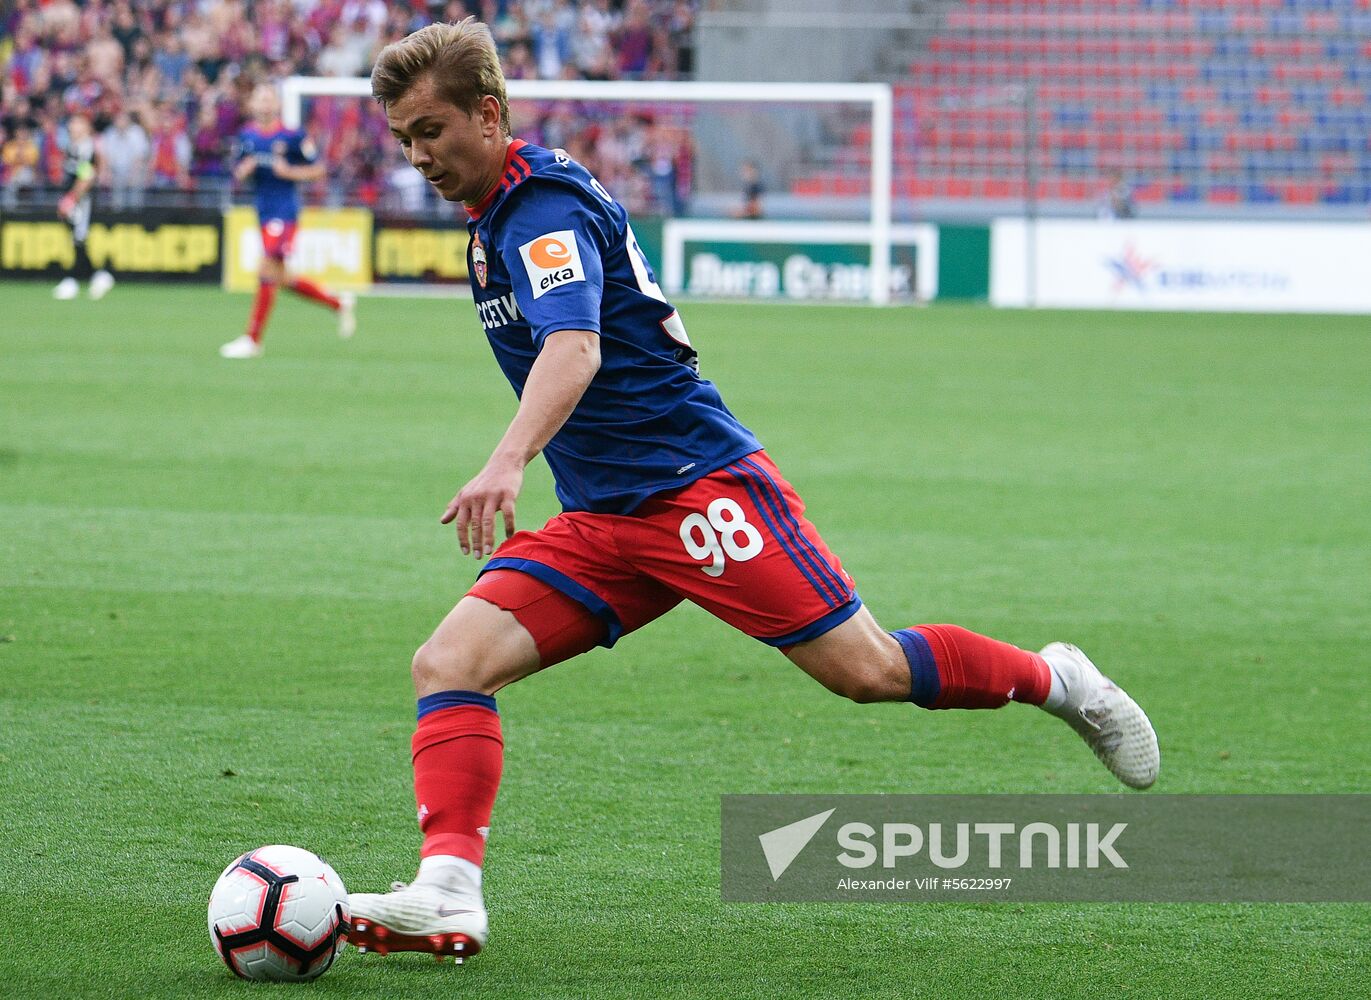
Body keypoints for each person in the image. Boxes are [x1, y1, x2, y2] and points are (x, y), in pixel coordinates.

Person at [349, 18, 1160, 963]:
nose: (418, 156)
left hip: (696, 493)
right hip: (605, 520)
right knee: (448, 663)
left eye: (432, 130)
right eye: (404, 138)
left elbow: (575, 347)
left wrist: (506, 460)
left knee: (868, 673)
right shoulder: (499, 213)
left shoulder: (539, 211)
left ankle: (1060, 681)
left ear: (487, 116)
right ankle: (448, 889)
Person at [218, 83, 355, 360]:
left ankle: (252, 339)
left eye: (269, 99)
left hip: (285, 213)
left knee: (266, 269)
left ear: (277, 105)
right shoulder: (247, 137)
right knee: (281, 278)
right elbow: (238, 173)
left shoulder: (292, 136)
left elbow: (317, 170)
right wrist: (245, 170)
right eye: (260, 99)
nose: (265, 104)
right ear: (253, 105)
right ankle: (337, 302)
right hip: (263, 212)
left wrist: (289, 171)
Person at [52, 113, 116, 301]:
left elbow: (87, 175)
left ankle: (72, 279)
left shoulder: (87, 146)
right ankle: (98, 275)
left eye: (77, 123)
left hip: (82, 200)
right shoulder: (73, 146)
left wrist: (71, 198)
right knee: (77, 239)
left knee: (79, 238)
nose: (72, 126)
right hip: (73, 196)